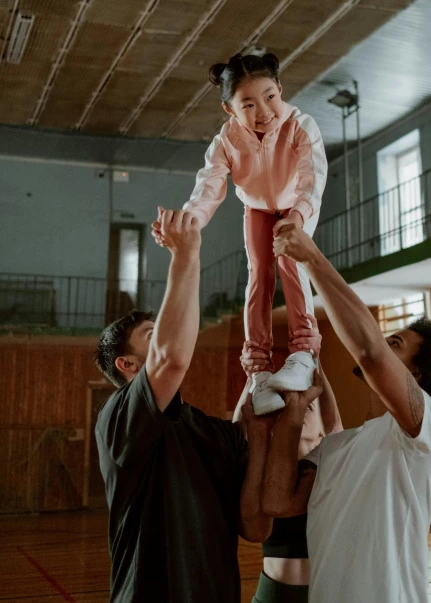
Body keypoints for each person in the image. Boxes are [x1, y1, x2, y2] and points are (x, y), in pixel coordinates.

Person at [262, 223, 431, 603]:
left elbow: (370, 352)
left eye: (395, 343)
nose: (383, 345)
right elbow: (279, 502)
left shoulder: (428, 432)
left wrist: (312, 258)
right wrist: (293, 415)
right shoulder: (336, 448)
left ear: (415, 375)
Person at [94, 209, 271, 603]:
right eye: (151, 334)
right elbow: (171, 358)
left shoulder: (217, 433)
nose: (165, 337)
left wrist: (259, 432)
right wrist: (186, 254)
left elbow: (256, 529)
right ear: (128, 365)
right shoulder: (118, 416)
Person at [154, 51, 328, 415]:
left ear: (280, 89)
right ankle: (259, 371)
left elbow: (313, 178)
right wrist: (188, 221)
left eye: (269, 96)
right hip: (258, 209)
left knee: (291, 264)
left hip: (296, 206)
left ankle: (304, 353)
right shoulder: (226, 142)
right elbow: (208, 189)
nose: (264, 110)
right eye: (248, 103)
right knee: (258, 278)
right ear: (230, 110)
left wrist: (298, 216)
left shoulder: (301, 125)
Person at [234, 339, 343, 603]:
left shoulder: (326, 462)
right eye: (284, 404)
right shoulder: (265, 469)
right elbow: (240, 425)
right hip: (277, 595)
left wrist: (315, 358)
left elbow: (333, 421)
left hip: (328, 593)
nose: (295, 406)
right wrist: (252, 378)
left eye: (306, 405)